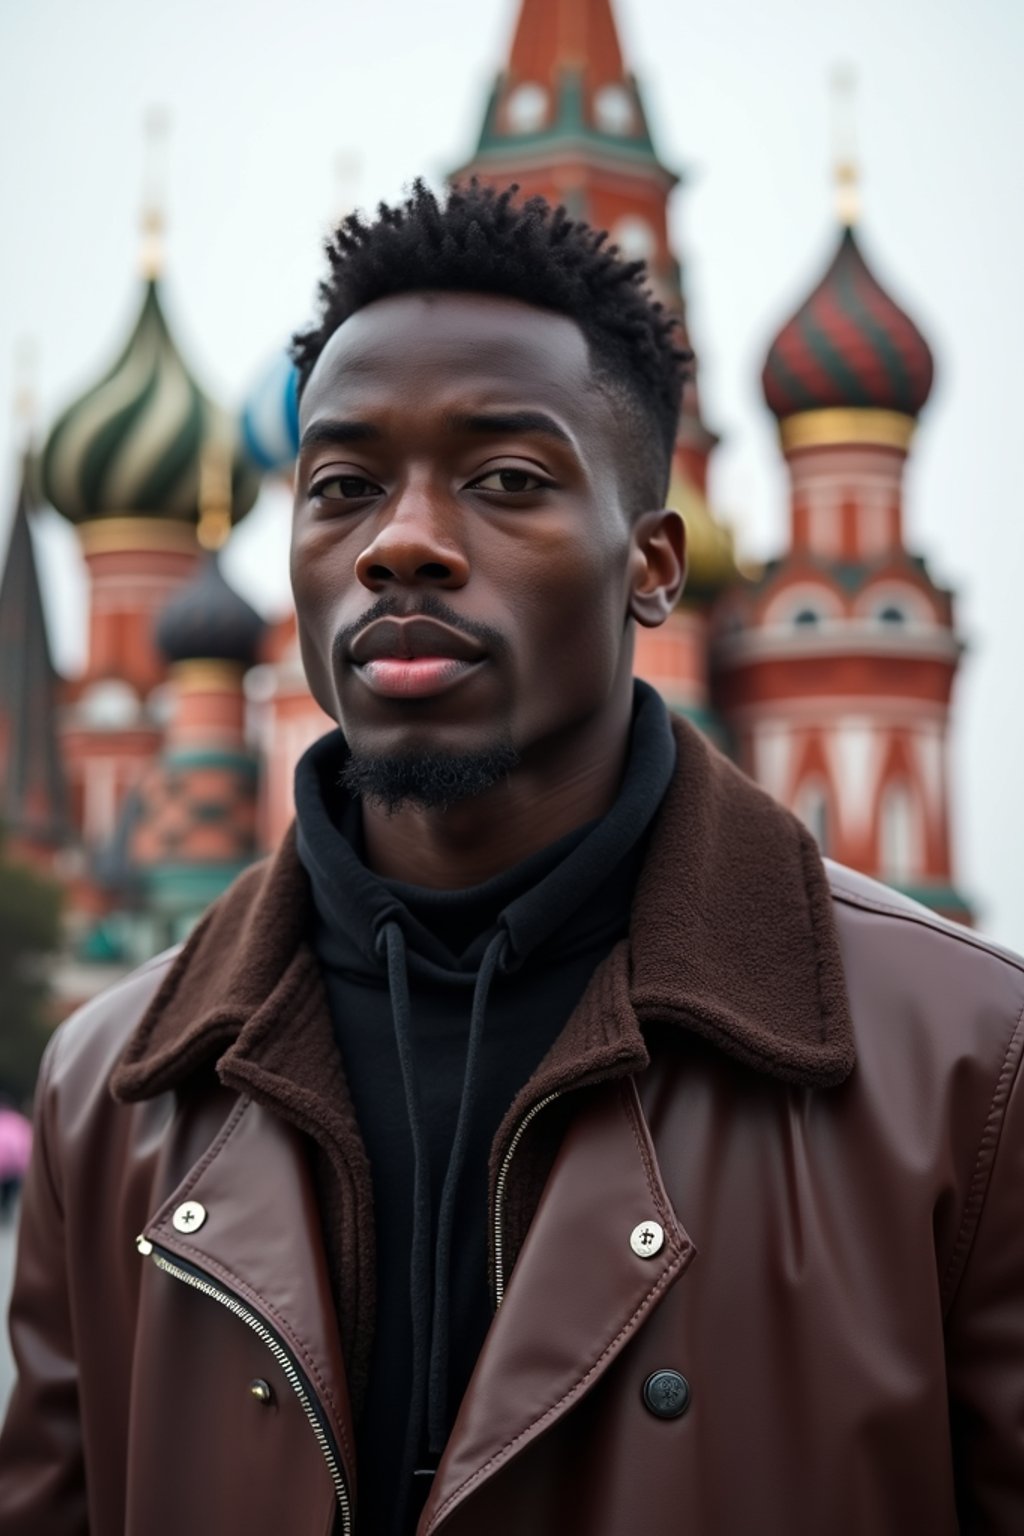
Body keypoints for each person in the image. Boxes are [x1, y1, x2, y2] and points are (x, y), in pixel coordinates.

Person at [0, 181, 1022, 1536]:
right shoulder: (119, 1090)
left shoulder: (964, 1066)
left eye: (507, 480)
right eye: (344, 486)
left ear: (654, 563)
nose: (401, 543)